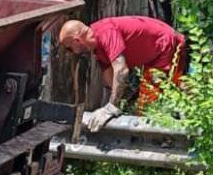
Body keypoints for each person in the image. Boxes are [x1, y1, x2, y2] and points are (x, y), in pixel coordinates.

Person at [58, 16, 187, 131]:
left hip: (165, 45)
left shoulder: (105, 33)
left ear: (77, 40)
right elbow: (110, 78)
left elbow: (121, 70)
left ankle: (173, 139)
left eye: (69, 48)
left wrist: (111, 107)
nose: (73, 53)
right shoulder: (98, 49)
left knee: (149, 105)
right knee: (149, 102)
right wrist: (121, 103)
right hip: (155, 55)